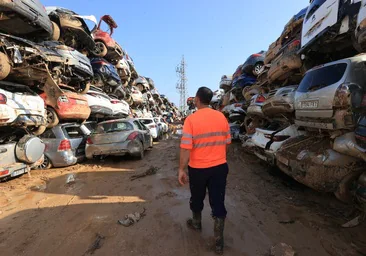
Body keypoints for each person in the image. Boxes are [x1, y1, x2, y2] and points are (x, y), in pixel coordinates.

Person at [178, 87, 231, 255]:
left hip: (198, 169)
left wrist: (181, 169)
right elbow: (227, 142)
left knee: (197, 197)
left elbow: (186, 148)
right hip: (219, 167)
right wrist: (219, 157)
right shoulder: (221, 117)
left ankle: (196, 223)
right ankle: (218, 242)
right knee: (218, 201)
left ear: (197, 100)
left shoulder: (191, 120)